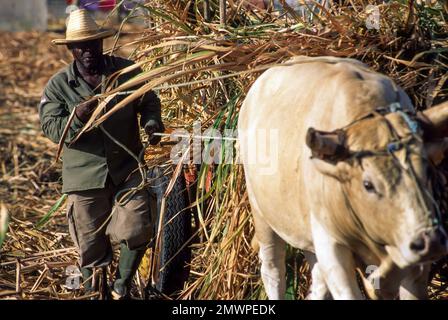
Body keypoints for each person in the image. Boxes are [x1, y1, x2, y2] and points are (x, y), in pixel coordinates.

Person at [38, 9, 164, 299]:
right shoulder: (58, 86)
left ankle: (122, 285)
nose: (88, 52)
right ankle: (96, 292)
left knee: (136, 229)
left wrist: (152, 122)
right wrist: (77, 116)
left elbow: (149, 100)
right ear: (71, 49)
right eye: (81, 47)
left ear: (102, 43)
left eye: (93, 45)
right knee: (90, 246)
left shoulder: (126, 72)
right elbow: (53, 130)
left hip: (127, 170)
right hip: (85, 179)